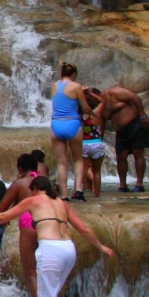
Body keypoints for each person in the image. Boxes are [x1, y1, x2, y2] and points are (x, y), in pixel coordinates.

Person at [0, 176, 117, 297]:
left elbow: (4, 215)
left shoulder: (34, 200)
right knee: (50, 294)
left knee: (46, 296)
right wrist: (101, 247)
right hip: (68, 249)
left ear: (35, 189)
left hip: (50, 249)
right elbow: (83, 228)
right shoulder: (62, 203)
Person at [0, 153, 44, 297]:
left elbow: (2, 207)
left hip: (29, 225)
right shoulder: (46, 183)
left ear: (19, 167)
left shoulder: (19, 184)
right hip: (50, 224)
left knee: (31, 273)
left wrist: (3, 219)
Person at [49, 63, 88, 201]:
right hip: (72, 123)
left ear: (61, 73)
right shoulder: (76, 86)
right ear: (74, 74)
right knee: (78, 159)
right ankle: (78, 190)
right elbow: (85, 108)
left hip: (56, 125)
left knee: (61, 163)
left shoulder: (55, 85)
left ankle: (64, 195)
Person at [100, 84, 149, 192]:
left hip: (135, 124)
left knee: (138, 152)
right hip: (121, 131)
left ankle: (139, 184)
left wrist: (142, 116)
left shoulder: (115, 92)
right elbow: (102, 120)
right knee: (120, 156)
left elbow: (135, 98)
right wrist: (100, 137)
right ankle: (122, 186)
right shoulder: (101, 105)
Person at [78, 88, 107, 199]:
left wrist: (80, 94)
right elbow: (103, 102)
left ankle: (78, 191)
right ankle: (97, 194)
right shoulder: (96, 115)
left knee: (83, 170)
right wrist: (89, 93)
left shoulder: (81, 117)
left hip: (85, 144)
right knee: (97, 171)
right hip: (97, 143)